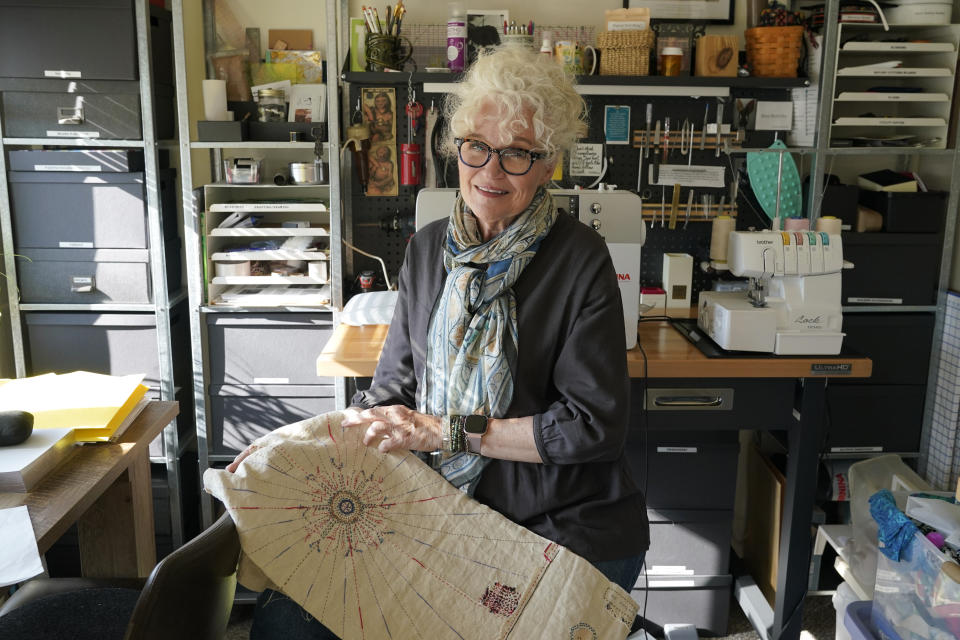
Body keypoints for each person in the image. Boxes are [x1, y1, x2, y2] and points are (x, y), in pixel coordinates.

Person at [231, 44, 649, 640]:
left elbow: (592, 427)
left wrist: (446, 431)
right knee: (286, 620)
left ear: (549, 162)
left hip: (560, 522)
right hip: (441, 511)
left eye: (516, 154)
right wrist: (291, 452)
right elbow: (390, 394)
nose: (489, 172)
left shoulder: (581, 259)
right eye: (476, 146)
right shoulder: (429, 249)